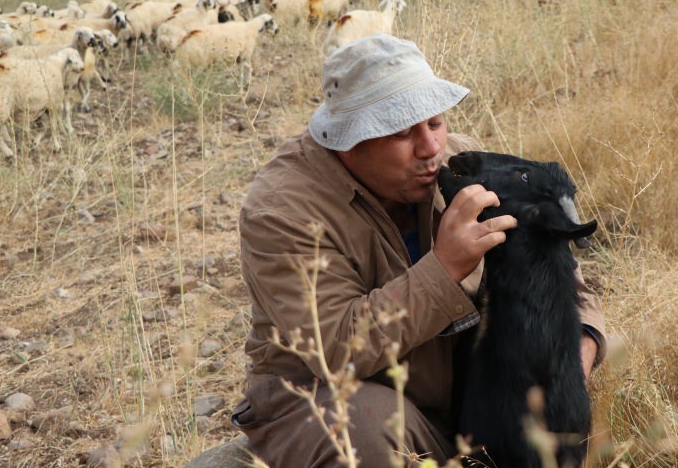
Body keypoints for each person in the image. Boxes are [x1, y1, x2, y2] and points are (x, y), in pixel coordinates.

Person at [230, 34, 607, 467]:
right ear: (350, 140)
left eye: (434, 121)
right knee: (368, 426)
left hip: (471, 400)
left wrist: (571, 366)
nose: (431, 148)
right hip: (332, 399)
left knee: (605, 355)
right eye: (402, 131)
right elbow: (335, 348)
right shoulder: (282, 210)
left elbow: (564, 282)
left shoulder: (458, 162)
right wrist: (445, 269)